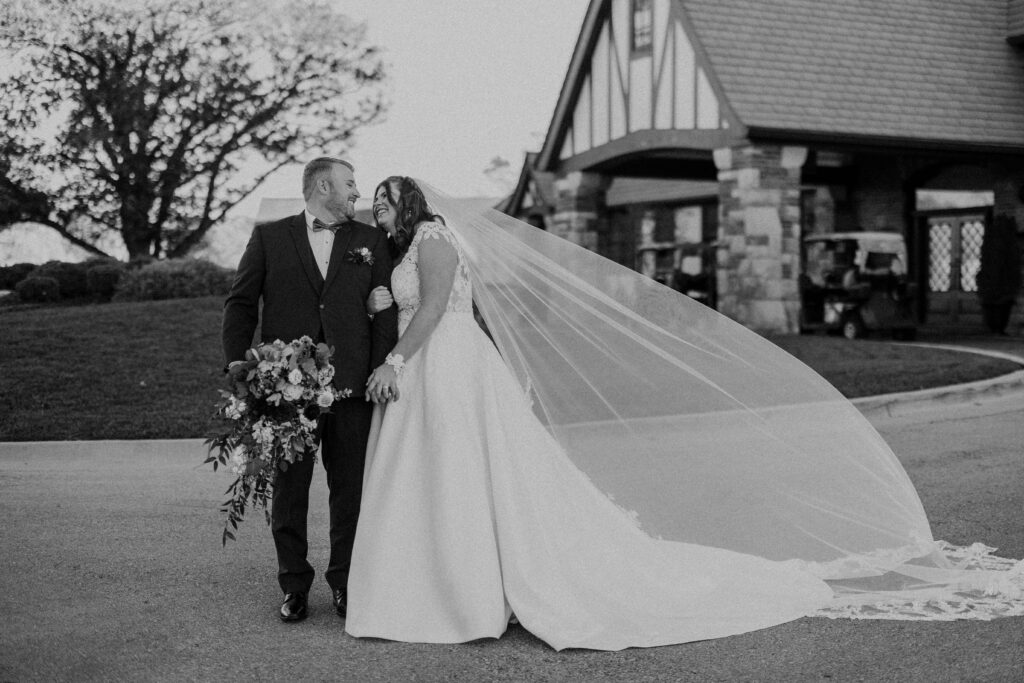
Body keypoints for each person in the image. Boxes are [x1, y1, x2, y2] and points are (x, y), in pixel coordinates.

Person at [344, 177, 1024, 651]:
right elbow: (415, 302)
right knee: (440, 474)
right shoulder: (405, 247)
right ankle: (436, 583)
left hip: (445, 364)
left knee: (465, 471)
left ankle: (466, 592)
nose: (377, 208)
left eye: (384, 198)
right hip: (431, 367)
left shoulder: (431, 236)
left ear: (411, 201)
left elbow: (433, 309)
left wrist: (395, 359)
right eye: (373, 200)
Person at [222, 157, 398, 623]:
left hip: (351, 387)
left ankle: (345, 583)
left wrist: (380, 367)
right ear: (323, 185)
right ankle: (294, 584)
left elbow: (385, 312)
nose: (358, 193)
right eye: (351, 183)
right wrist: (239, 366)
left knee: (350, 491)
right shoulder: (269, 237)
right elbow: (241, 302)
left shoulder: (371, 240)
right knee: (289, 490)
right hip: (287, 390)